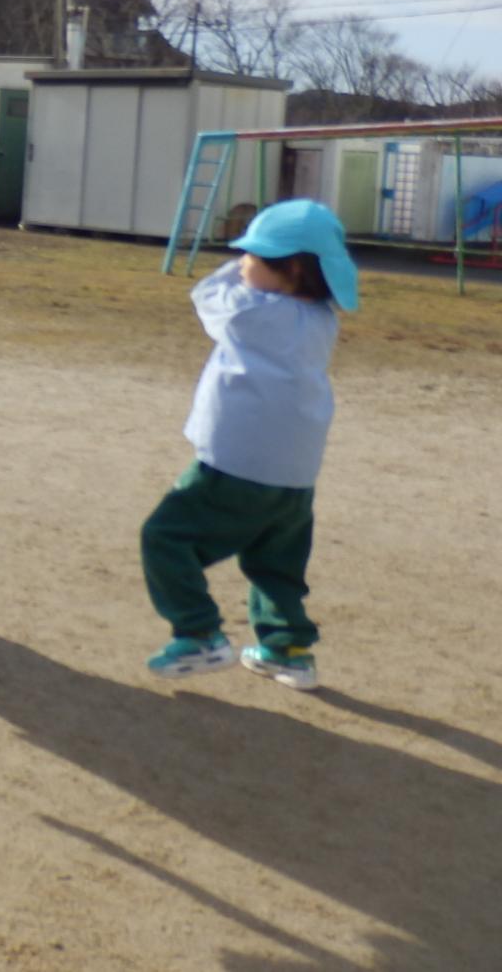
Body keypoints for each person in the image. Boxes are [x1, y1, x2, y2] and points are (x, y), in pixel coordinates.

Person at [140, 198, 357, 692]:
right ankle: (289, 650)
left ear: (292, 270)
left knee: (165, 536)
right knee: (274, 562)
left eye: (253, 257)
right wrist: (265, 263)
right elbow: (263, 287)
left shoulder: (249, 314)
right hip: (296, 476)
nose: (241, 263)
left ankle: (197, 631)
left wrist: (238, 270)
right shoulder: (324, 319)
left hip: (236, 466)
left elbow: (206, 294)